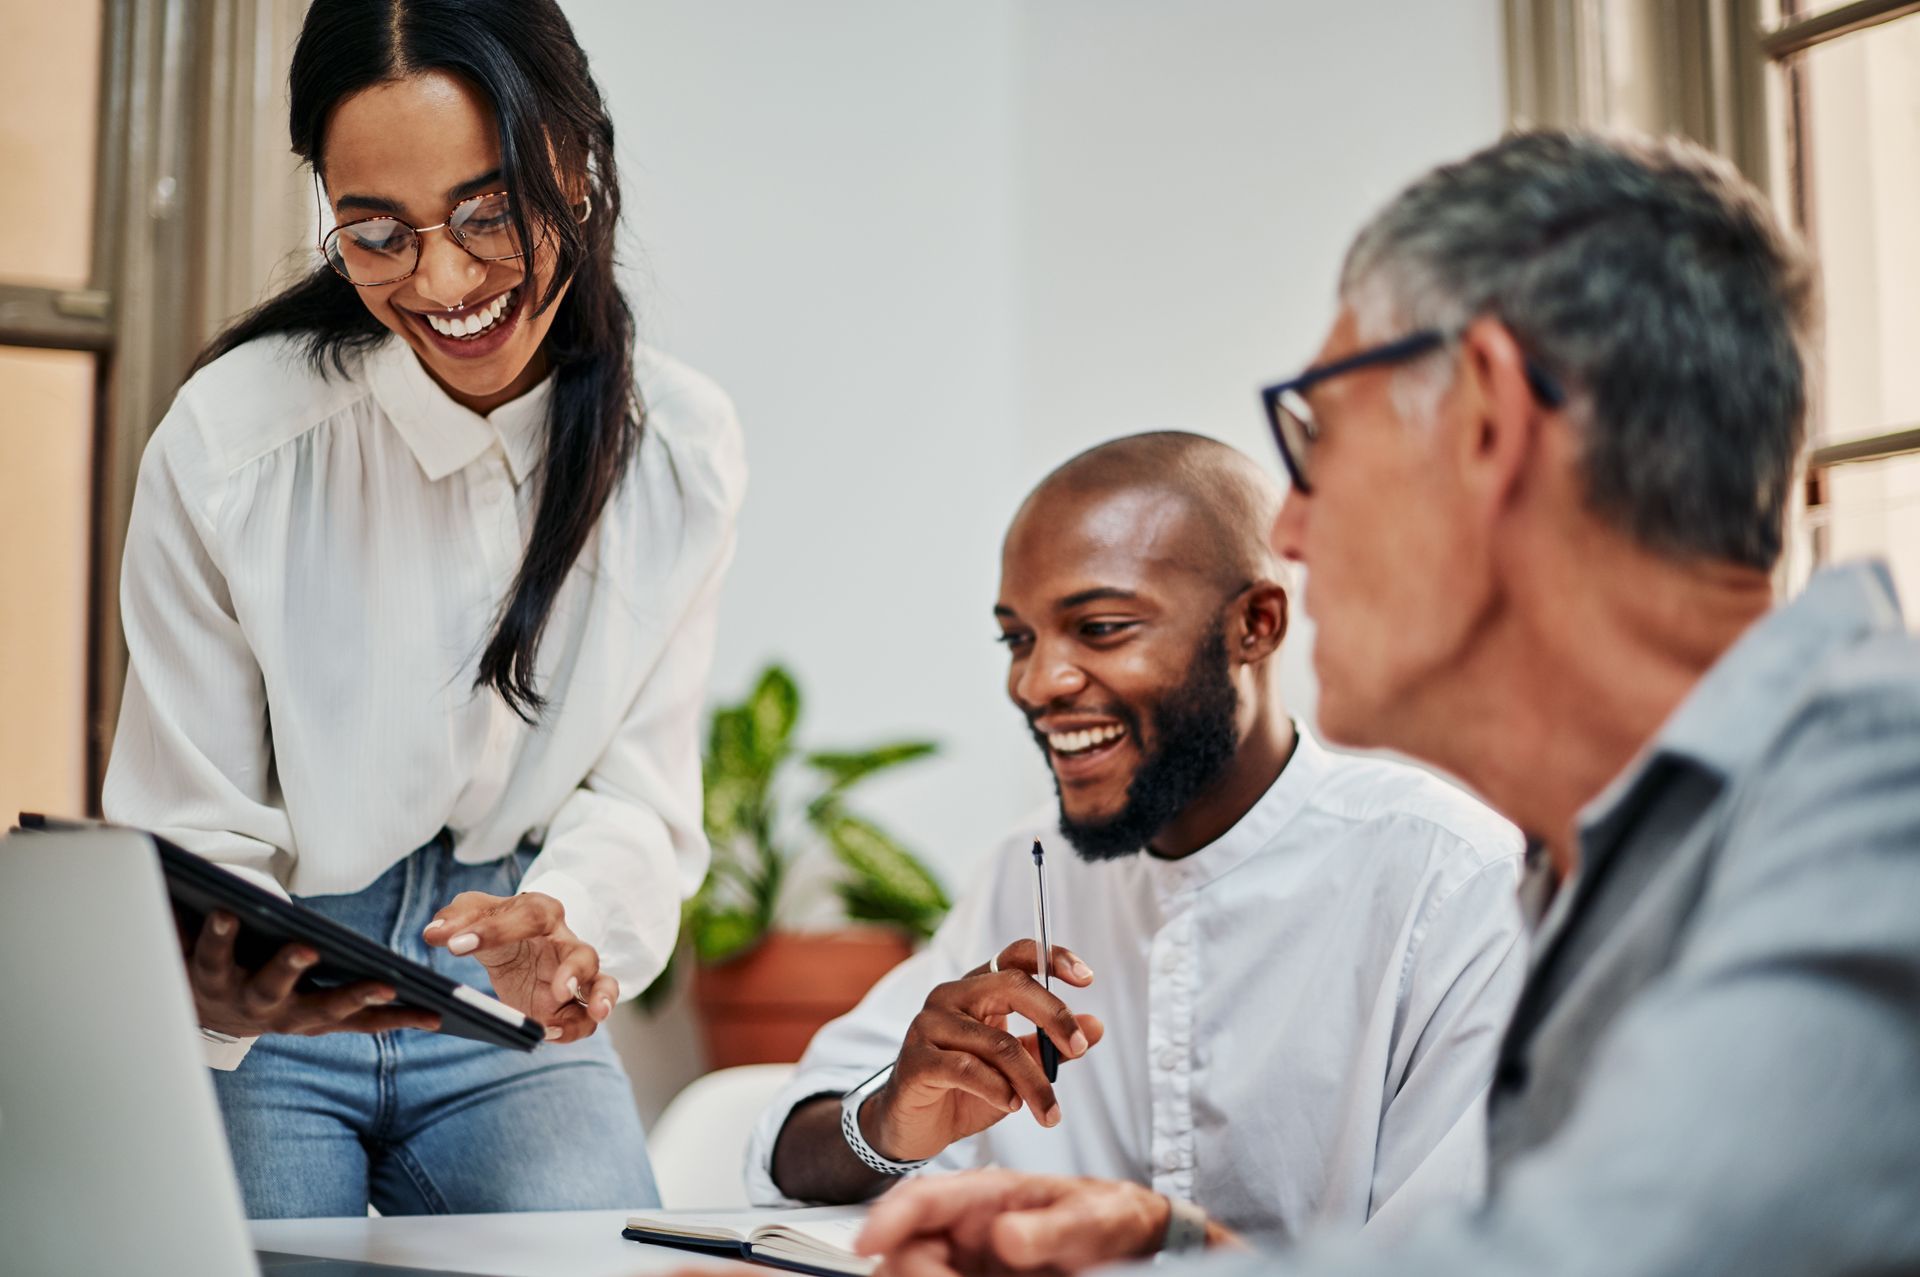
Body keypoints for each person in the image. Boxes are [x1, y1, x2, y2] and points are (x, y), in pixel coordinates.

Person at [848, 131, 1920, 1277]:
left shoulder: (1879, 819)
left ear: (1489, 422)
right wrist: (1173, 1242)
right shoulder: (1635, 854)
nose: (1295, 533)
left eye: (1319, 440)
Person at [101, 0, 744, 1218]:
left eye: (489, 211)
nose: (443, 281)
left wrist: (566, 923)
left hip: (501, 991)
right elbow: (188, 822)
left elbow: (641, 798)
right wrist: (216, 985)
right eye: (376, 232)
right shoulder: (237, 442)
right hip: (278, 1002)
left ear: (581, 159)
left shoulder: (683, 450)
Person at [746, 432, 1527, 1240]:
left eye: (1103, 626)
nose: (1036, 682)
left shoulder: (1455, 886)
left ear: (1256, 625)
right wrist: (887, 1122)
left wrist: (1169, 1238)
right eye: (1018, 638)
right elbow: (787, 1142)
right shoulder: (1029, 867)